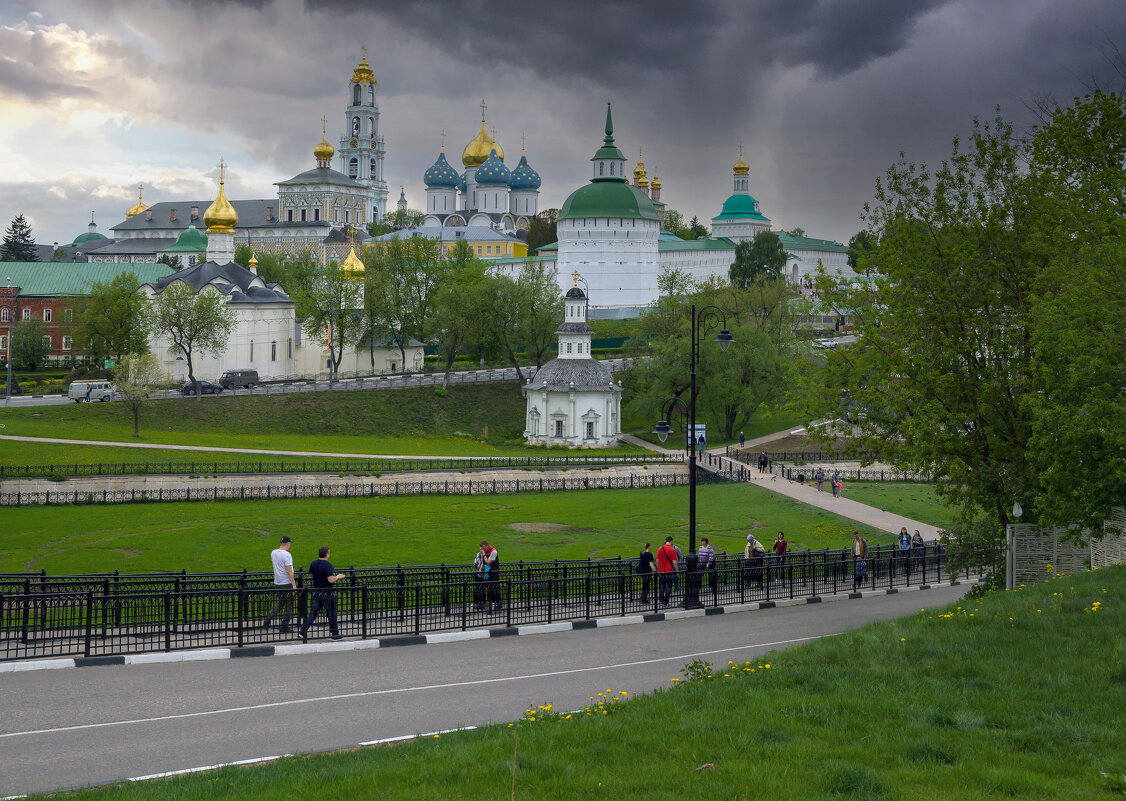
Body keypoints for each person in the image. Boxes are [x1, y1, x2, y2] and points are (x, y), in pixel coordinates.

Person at [300, 546, 346, 640]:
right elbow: (330, 580)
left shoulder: (313, 563)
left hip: (316, 592)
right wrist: (338, 577)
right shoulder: (328, 565)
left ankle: (302, 632)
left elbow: (312, 572)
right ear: (327, 554)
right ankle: (335, 634)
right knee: (331, 613)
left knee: (313, 613)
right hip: (327, 592)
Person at [262, 535, 296, 634]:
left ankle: (267, 620)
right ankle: (284, 625)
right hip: (286, 583)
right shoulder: (287, 555)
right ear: (288, 543)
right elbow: (289, 571)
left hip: (277, 582)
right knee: (289, 606)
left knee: (280, 602)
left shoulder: (273, 553)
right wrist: (293, 584)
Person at [656, 536, 678, 606]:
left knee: (662, 586)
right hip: (669, 571)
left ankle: (661, 600)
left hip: (661, 571)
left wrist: (658, 569)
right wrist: (677, 571)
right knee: (668, 587)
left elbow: (657, 560)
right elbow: (674, 562)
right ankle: (666, 601)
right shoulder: (672, 550)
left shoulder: (660, 549)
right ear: (671, 541)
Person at [480, 539, 501, 611]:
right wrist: (480, 569)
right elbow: (484, 562)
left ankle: (498, 603)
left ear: (487, 546)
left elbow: (488, 562)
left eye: (484, 548)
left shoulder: (493, 552)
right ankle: (490, 604)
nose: (483, 550)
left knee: (495, 588)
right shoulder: (486, 552)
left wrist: (483, 554)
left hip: (494, 572)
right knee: (489, 589)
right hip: (488, 573)